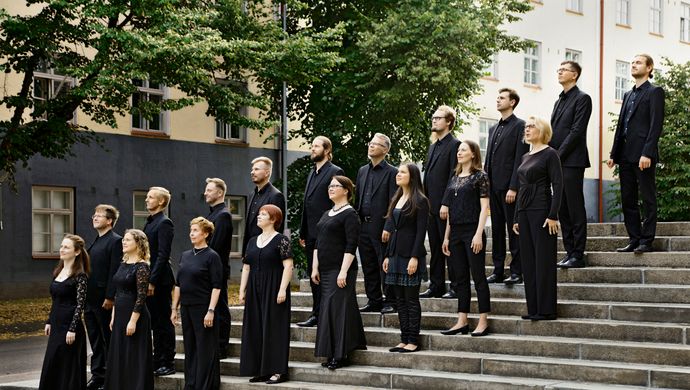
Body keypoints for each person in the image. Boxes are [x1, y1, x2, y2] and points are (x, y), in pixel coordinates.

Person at [608, 54, 665, 254]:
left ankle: (646, 240)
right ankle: (634, 238)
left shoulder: (655, 92)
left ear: (649, 68)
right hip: (625, 155)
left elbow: (655, 124)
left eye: (638, 62)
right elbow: (622, 126)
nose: (633, 65)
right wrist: (614, 153)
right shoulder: (628, 95)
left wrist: (647, 153)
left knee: (648, 198)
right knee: (628, 199)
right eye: (632, 63)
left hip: (643, 155)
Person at [312, 175, 366, 369]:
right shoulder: (327, 213)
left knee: (338, 311)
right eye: (330, 186)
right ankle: (331, 352)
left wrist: (343, 271)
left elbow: (352, 244)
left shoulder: (350, 214)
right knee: (328, 310)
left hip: (341, 269)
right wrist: (314, 267)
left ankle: (341, 355)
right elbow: (318, 242)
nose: (331, 188)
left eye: (336, 185)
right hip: (325, 270)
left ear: (346, 190)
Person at [513, 117, 563, 321]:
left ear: (542, 130)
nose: (527, 129)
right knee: (528, 262)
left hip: (542, 210)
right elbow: (521, 187)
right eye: (526, 127)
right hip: (524, 213)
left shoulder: (550, 154)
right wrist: (517, 216)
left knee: (543, 261)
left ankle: (546, 310)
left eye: (531, 126)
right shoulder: (525, 156)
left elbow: (558, 185)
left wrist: (553, 215)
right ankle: (533, 308)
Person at [440, 141, 491, 337]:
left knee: (478, 276)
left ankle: (483, 320)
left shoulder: (480, 176)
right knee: (459, 278)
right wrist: (446, 237)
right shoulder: (453, 178)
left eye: (463, 150)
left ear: (473, 154)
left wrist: (479, 234)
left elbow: (484, 208)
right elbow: (450, 211)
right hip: (455, 233)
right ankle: (462, 320)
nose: (459, 152)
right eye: (458, 150)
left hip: (472, 231)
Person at [239, 205, 293, 384]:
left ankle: (278, 371)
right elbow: (246, 267)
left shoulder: (281, 240)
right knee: (255, 327)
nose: (258, 217)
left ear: (273, 219)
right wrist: (242, 290)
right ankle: (260, 369)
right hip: (255, 288)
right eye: (259, 213)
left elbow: (288, 266)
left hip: (274, 288)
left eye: (263, 214)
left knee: (274, 329)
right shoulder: (252, 241)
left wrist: (282, 289)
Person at [171, 217, 223, 390]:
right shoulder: (185, 255)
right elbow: (178, 284)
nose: (191, 233)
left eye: (195, 230)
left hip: (203, 308)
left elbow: (217, 286)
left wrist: (211, 310)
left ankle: (205, 385)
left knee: (205, 348)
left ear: (206, 234)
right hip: (186, 307)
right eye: (191, 230)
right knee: (190, 347)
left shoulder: (212, 256)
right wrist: (174, 308)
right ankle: (191, 384)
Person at [297, 136, 344, 328]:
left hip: (327, 232)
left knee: (324, 274)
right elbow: (307, 204)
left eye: (316, 146)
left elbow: (336, 202)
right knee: (313, 273)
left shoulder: (335, 171)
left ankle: (325, 313)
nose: (312, 149)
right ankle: (316, 313)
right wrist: (302, 232)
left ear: (327, 150)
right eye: (312, 146)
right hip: (311, 233)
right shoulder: (311, 173)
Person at [382, 163, 429, 353]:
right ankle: (403, 339)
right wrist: (387, 255)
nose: (398, 174)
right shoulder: (397, 198)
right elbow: (393, 229)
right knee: (399, 300)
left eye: (402, 172)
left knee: (411, 299)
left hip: (410, 254)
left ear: (413, 176)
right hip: (394, 254)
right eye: (398, 172)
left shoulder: (421, 200)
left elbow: (420, 232)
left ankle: (413, 340)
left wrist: (415, 257)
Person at [550, 61, 592, 269]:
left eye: (563, 69)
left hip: (572, 161)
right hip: (557, 161)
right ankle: (569, 252)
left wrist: (558, 154)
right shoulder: (559, 101)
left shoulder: (583, 98)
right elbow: (553, 132)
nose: (559, 72)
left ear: (574, 75)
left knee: (574, 206)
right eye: (558, 69)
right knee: (562, 207)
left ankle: (578, 253)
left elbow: (576, 131)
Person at [484, 89, 528, 285]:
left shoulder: (520, 126)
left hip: (509, 188)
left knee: (513, 230)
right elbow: (488, 159)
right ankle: (498, 269)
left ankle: (517, 270)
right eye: (498, 96)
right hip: (492, 187)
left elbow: (520, 158)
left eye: (501, 97)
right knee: (497, 231)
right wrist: (485, 187)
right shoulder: (493, 129)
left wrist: (514, 187)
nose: (498, 99)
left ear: (512, 102)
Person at [39, 234, 90, 390]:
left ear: (76, 252)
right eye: (61, 246)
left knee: (68, 366)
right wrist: (49, 320)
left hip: (70, 328)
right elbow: (55, 300)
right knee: (52, 362)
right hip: (56, 324)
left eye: (66, 247)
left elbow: (80, 305)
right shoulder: (58, 272)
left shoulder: (80, 276)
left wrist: (72, 328)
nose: (62, 249)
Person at [105, 229, 154, 390]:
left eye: (127, 240)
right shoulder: (123, 264)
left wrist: (132, 321)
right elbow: (118, 292)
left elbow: (141, 297)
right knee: (120, 355)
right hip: (120, 315)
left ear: (138, 244)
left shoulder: (142, 267)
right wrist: (114, 316)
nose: (123, 242)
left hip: (136, 317)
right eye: (123, 239)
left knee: (133, 356)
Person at [421, 105, 461, 299]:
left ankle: (455, 286)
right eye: (433, 117)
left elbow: (454, 177)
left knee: (449, 247)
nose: (434, 120)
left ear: (449, 122)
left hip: (445, 206)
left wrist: (446, 203)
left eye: (438, 118)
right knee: (435, 248)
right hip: (430, 205)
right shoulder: (433, 145)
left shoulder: (455, 145)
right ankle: (436, 285)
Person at [355, 133, 398, 314]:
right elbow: (358, 199)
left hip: (381, 226)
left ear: (385, 149)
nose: (371, 146)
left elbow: (393, 203)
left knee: (384, 264)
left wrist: (388, 226)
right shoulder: (362, 171)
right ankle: (374, 300)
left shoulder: (392, 172)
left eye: (376, 144)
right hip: (363, 225)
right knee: (368, 264)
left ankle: (390, 300)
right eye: (370, 143)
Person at [85, 205, 122, 390]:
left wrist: (110, 297)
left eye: (99, 216)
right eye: (94, 214)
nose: (95, 218)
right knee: (95, 339)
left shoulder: (115, 241)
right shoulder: (96, 241)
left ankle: (108, 376)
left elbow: (114, 270)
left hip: (103, 299)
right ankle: (98, 375)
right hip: (89, 300)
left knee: (106, 338)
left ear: (109, 221)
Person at [143, 186, 176, 376]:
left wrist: (152, 281)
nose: (146, 200)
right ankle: (157, 360)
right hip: (150, 278)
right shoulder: (150, 223)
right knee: (155, 322)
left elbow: (163, 255)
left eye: (150, 197)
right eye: (147, 197)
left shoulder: (165, 223)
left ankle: (167, 362)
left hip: (160, 280)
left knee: (163, 322)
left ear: (161, 202)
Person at [203, 178, 233, 359]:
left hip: (216, 270)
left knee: (220, 307)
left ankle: (222, 347)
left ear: (220, 193)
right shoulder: (212, 215)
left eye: (209, 190)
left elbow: (215, 246)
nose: (205, 193)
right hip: (208, 269)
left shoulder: (223, 215)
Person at [243, 157, 286, 254]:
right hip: (250, 250)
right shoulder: (251, 195)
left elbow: (277, 228)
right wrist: (244, 253)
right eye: (252, 169)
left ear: (267, 173)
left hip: (266, 252)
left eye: (256, 169)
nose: (252, 172)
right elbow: (248, 227)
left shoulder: (276, 196)